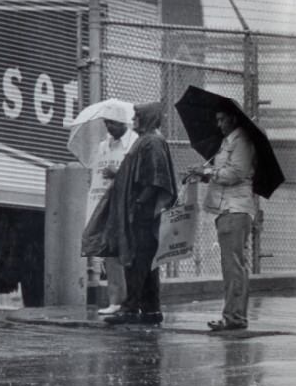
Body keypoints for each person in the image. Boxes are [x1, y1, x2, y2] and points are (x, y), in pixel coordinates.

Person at [104, 102, 177, 326]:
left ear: (147, 118)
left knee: (137, 260)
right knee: (146, 261)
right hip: (142, 209)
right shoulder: (147, 140)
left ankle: (131, 307)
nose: (134, 119)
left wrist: (138, 202)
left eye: (138, 116)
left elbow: (155, 179)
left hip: (143, 212)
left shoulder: (152, 142)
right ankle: (150, 308)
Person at [188, 105, 256, 331]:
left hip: (234, 209)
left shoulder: (241, 141)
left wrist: (207, 173)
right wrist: (204, 174)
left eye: (222, 120)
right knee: (233, 265)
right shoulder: (228, 142)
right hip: (227, 209)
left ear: (233, 119)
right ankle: (233, 315)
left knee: (233, 265)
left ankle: (234, 317)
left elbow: (236, 173)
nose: (218, 124)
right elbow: (223, 174)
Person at [86, 115, 138, 315]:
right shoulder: (103, 146)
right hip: (108, 202)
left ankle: (131, 300)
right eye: (106, 123)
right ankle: (116, 299)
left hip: (126, 204)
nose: (109, 127)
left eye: (113, 123)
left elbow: (137, 174)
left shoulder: (133, 144)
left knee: (127, 253)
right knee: (111, 252)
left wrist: (119, 173)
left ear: (124, 123)